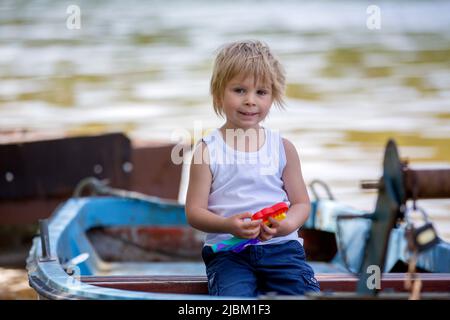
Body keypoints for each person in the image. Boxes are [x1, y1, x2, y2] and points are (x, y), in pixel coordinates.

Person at [185, 40, 320, 297]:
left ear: (274, 96)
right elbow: (194, 212)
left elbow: (301, 204)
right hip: (229, 253)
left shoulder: (283, 148)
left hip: (282, 249)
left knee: (301, 293)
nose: (250, 101)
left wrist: (285, 225)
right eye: (239, 90)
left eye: (261, 92)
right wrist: (228, 224)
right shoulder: (207, 150)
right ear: (218, 94)